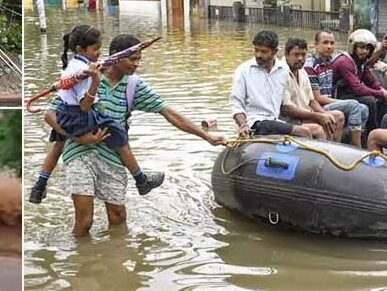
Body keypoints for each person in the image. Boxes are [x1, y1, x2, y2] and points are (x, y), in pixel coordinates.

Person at [40, 34, 225, 235]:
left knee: (118, 217)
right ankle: (80, 261)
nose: (137, 64)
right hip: (80, 154)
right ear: (115, 57)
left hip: (112, 157)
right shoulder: (84, 76)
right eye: (132, 59)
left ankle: (115, 257)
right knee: (85, 221)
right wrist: (77, 138)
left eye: (139, 59)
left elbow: (169, 113)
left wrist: (205, 136)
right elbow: (50, 114)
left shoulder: (133, 86)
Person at [29, 26, 165, 204]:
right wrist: (95, 80)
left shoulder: (75, 65)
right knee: (120, 136)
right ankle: (141, 180)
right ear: (80, 49)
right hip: (79, 116)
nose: (99, 53)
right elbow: (85, 106)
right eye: (95, 49)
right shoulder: (84, 72)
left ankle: (40, 184)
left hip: (66, 115)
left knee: (58, 143)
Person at [231, 31, 318, 138]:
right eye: (256, 50)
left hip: (274, 121)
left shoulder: (283, 71)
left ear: (274, 52)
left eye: (264, 52)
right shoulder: (243, 70)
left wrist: (313, 115)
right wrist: (243, 125)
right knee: (303, 132)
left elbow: (285, 104)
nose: (258, 55)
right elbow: (236, 104)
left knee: (310, 130)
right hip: (255, 123)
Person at [304, 30, 369, 147]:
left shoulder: (330, 61)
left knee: (364, 108)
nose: (329, 46)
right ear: (315, 44)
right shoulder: (311, 65)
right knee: (354, 105)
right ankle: (356, 147)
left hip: (328, 102)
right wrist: (345, 102)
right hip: (317, 106)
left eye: (332, 43)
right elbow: (317, 98)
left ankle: (351, 141)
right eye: (325, 43)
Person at [280, 37, 345, 141]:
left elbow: (311, 100)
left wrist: (323, 114)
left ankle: (334, 150)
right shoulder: (281, 72)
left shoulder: (302, 71)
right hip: (290, 119)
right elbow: (286, 109)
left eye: (303, 55)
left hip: (305, 114)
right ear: (287, 55)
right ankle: (324, 153)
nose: (300, 58)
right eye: (296, 55)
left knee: (338, 116)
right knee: (319, 128)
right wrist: (317, 116)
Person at [333, 29, 387, 132]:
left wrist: (382, 90)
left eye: (367, 48)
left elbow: (371, 80)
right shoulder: (344, 61)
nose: (365, 51)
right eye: (361, 47)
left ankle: (382, 128)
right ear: (353, 47)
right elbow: (358, 88)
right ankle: (372, 131)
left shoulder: (360, 61)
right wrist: (380, 93)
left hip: (350, 94)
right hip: (338, 96)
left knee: (383, 98)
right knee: (370, 100)